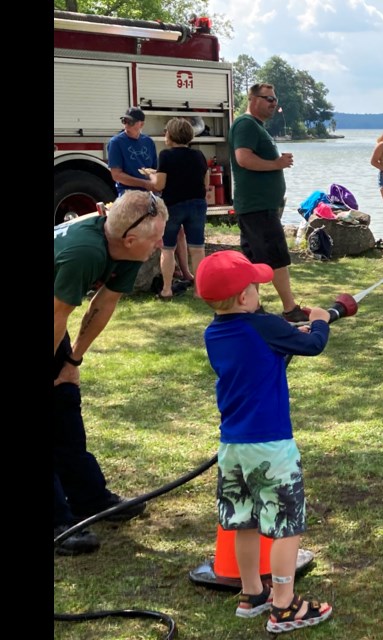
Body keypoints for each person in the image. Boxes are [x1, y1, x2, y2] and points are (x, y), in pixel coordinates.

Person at [195, 250, 334, 634]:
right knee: (287, 524)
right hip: (271, 447)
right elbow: (312, 346)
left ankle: (252, 593)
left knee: (244, 521)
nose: (260, 293)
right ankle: (285, 606)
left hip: (233, 448)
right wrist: (320, 323)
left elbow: (259, 358)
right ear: (244, 297)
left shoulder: (213, 333)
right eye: (255, 287)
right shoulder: (265, 325)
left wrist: (286, 338)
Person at [54, 191, 169, 555]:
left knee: (65, 401)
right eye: (157, 238)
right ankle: (57, 522)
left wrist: (71, 362)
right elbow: (57, 315)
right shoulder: (85, 252)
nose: (161, 244)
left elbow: (103, 304)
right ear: (132, 238)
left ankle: (89, 498)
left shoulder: (127, 247)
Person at [229, 83, 310, 323]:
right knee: (276, 257)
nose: (273, 103)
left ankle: (250, 309)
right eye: (268, 99)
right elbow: (243, 159)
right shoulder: (245, 124)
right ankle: (290, 309)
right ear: (252, 99)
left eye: (275, 99)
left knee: (255, 261)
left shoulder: (255, 126)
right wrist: (276, 164)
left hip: (259, 205)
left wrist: (277, 161)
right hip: (257, 205)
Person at [109, 106, 193, 285]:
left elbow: (156, 170)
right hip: (129, 193)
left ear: (141, 124)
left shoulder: (148, 142)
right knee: (135, 232)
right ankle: (131, 276)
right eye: (124, 121)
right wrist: (145, 184)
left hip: (151, 192)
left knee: (175, 229)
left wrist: (154, 182)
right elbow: (116, 174)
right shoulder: (116, 142)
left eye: (130, 122)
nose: (126, 125)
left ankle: (185, 271)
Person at [146, 118, 210, 300]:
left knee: (167, 248)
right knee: (197, 248)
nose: (165, 134)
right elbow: (205, 182)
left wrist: (151, 175)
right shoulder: (198, 155)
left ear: (172, 135)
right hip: (197, 204)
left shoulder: (166, 155)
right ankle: (199, 290)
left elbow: (159, 185)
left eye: (166, 131)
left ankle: (167, 289)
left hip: (173, 206)